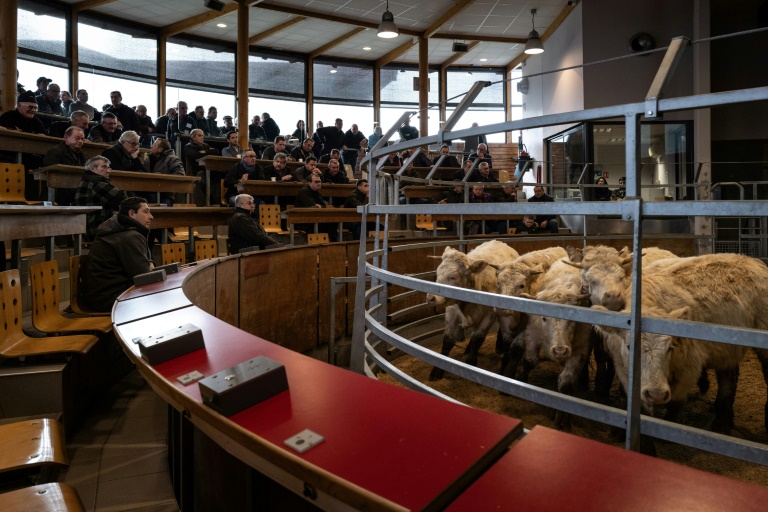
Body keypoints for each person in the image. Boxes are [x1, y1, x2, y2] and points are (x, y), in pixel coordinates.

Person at [82, 196, 153, 312]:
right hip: (111, 299)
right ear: (132, 214)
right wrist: (148, 265)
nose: (151, 216)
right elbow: (145, 276)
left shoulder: (120, 231)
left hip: (101, 297)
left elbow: (147, 263)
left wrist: (149, 264)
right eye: (146, 212)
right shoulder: (129, 236)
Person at [74, 156, 129, 241]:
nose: (108, 171)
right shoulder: (96, 183)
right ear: (93, 169)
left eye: (108, 168)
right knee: (136, 230)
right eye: (104, 167)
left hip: (87, 228)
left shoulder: (88, 180)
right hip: (96, 230)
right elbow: (123, 200)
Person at [43, 126, 87, 206]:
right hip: (58, 188)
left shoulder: (82, 154)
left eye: (82, 139)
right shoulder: (55, 152)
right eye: (77, 138)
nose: (80, 141)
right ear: (66, 137)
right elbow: (53, 172)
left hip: (74, 186)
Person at [184, 128, 219, 206]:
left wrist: (205, 152)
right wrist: (207, 152)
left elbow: (215, 152)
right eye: (199, 135)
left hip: (209, 168)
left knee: (220, 176)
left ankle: (217, 201)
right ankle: (205, 202)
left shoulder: (205, 145)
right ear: (193, 137)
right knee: (203, 178)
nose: (202, 137)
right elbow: (195, 156)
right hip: (198, 169)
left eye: (203, 135)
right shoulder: (189, 146)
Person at [149, 138, 185, 204]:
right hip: (152, 192)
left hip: (166, 195)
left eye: (154, 145)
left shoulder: (172, 159)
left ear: (160, 149)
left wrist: (161, 178)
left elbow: (180, 175)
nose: (151, 146)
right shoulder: (150, 159)